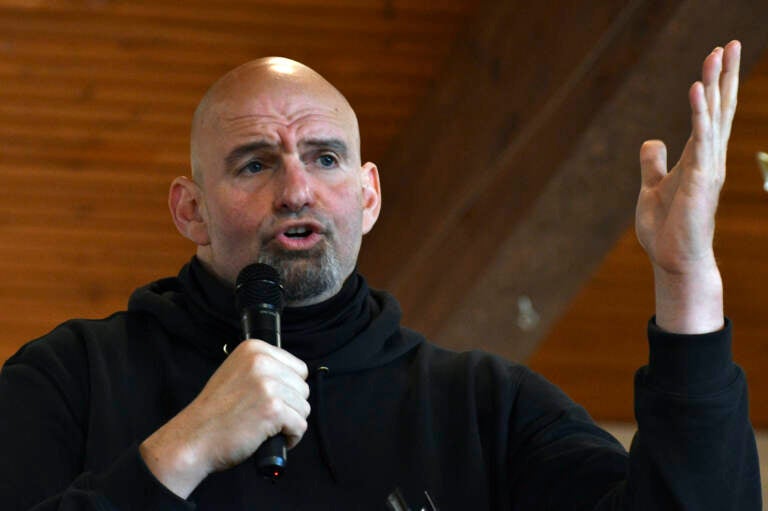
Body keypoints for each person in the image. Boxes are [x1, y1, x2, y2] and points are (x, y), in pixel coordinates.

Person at [0, 40, 759, 510]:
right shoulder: (70, 378)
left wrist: (686, 273)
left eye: (324, 158)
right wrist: (181, 451)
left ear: (368, 196)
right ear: (190, 209)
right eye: (255, 162)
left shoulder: (481, 409)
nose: (296, 188)